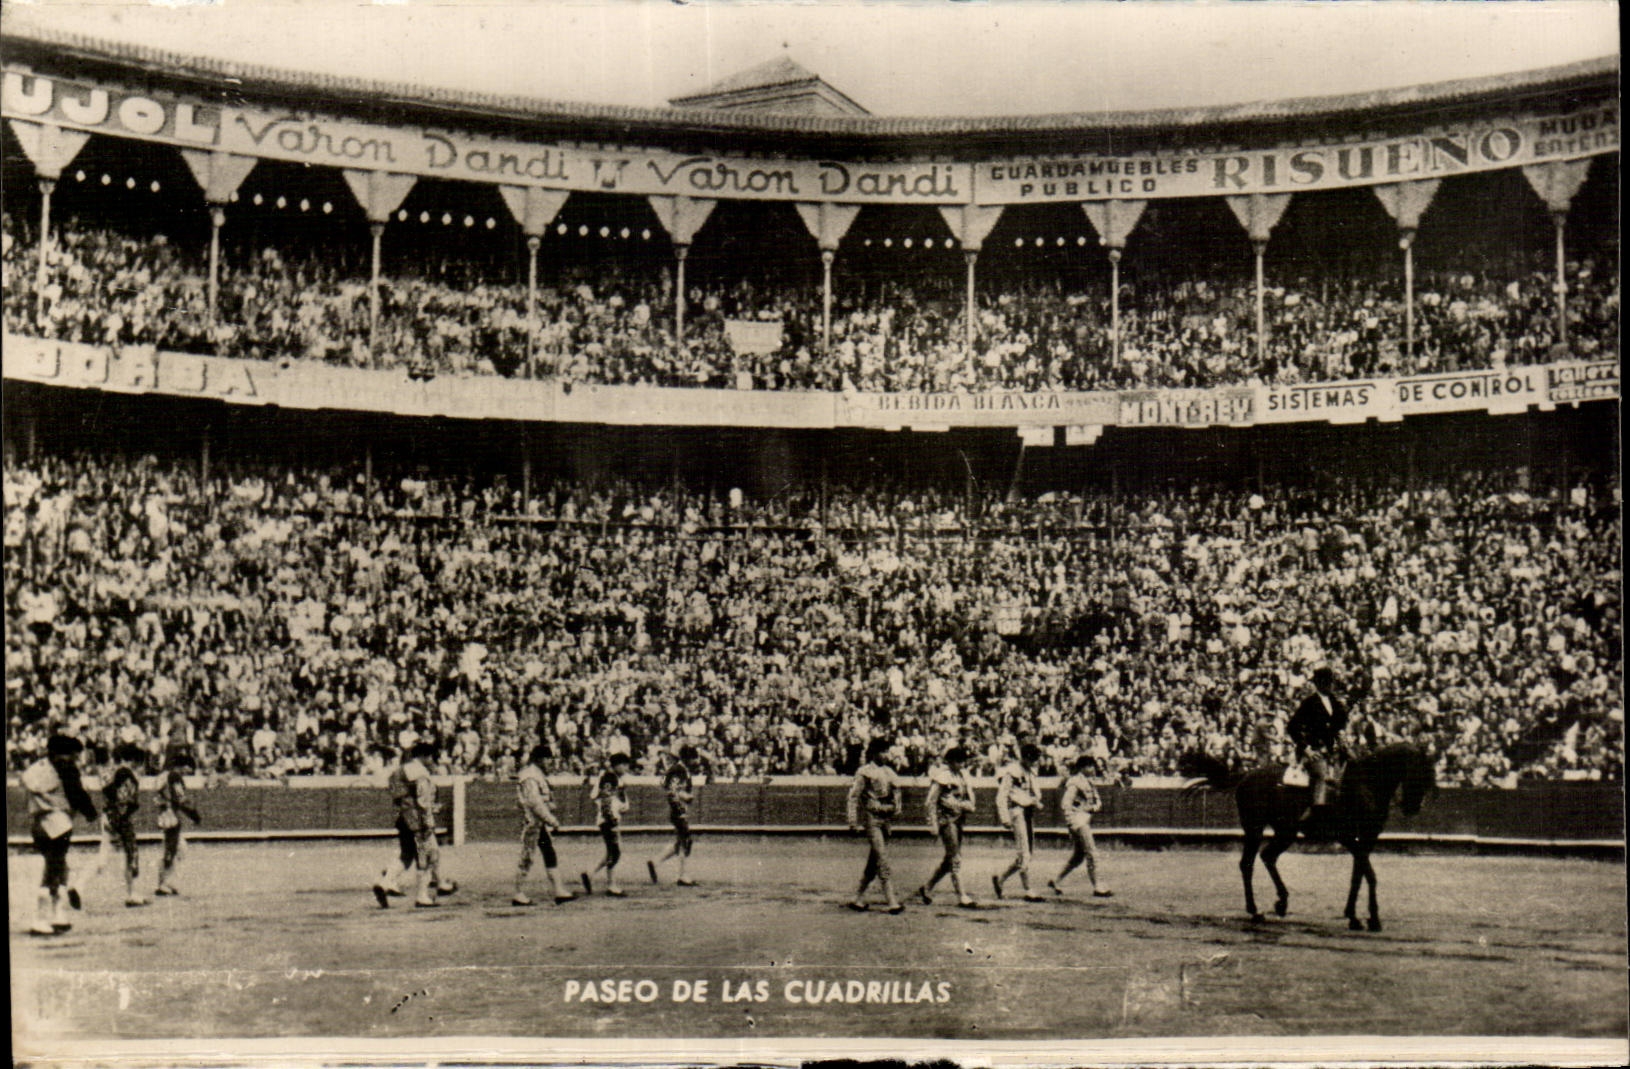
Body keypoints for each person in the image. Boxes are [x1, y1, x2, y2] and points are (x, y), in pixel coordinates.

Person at [22, 733, 99, 935]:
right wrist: (91, 812)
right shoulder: (66, 771)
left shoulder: (38, 768)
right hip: (58, 823)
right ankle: (41, 918)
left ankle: (57, 915)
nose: (74, 760)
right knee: (54, 868)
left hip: (39, 822)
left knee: (58, 866)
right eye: (72, 756)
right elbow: (77, 794)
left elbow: (28, 780)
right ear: (59, 754)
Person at [845, 736, 904, 913]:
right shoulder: (864, 772)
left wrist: (896, 808)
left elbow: (897, 795)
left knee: (874, 861)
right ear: (874, 753)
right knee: (882, 859)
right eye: (883, 751)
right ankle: (892, 901)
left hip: (885, 820)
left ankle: (857, 898)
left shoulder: (889, 772)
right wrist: (852, 821)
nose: (886, 755)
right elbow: (853, 797)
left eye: (887, 751)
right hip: (872, 819)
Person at [1288, 666, 1350, 831]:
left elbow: (1340, 724)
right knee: (1322, 775)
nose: (1330, 686)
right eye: (1327, 682)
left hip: (1334, 751)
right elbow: (1292, 727)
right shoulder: (1309, 703)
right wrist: (1306, 748)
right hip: (1314, 751)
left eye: (1331, 682)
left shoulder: (1335, 702)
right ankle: (1316, 813)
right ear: (1319, 684)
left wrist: (1342, 736)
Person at [514, 743, 575, 906]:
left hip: (537, 822)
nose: (550, 762)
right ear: (540, 759)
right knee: (527, 857)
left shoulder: (534, 774)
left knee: (548, 852)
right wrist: (551, 819)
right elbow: (535, 802)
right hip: (532, 823)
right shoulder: (530, 776)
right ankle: (518, 894)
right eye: (548, 759)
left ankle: (559, 890)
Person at [918, 744, 978, 908]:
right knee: (955, 858)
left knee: (949, 860)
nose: (962, 764)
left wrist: (967, 805)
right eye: (958, 761)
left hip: (959, 820)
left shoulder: (963, 776)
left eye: (963, 761)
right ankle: (962, 895)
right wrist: (933, 824)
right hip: (946, 821)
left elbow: (971, 799)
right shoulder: (942, 776)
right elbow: (930, 802)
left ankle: (927, 888)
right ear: (950, 761)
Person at [1049, 754, 1113, 899]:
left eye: (1092, 766)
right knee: (1092, 853)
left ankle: (1056, 880)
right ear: (1082, 768)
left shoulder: (1089, 782)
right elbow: (1065, 803)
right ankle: (1098, 887)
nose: (1092, 768)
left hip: (1083, 819)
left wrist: (1093, 807)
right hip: (1079, 821)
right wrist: (1072, 821)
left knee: (1078, 856)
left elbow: (1098, 802)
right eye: (1089, 766)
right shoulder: (1075, 782)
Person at [404, 740, 456, 908]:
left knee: (432, 854)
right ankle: (421, 896)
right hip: (420, 821)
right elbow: (422, 802)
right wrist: (428, 821)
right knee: (425, 857)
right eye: (431, 757)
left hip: (411, 818)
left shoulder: (409, 769)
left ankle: (432, 888)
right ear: (424, 756)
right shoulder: (421, 774)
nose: (432, 761)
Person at [992, 742, 1046, 902]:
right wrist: (1004, 817)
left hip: (1028, 813)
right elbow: (1001, 796)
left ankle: (1000, 880)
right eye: (1033, 759)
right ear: (1026, 758)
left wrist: (1036, 801)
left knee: (1026, 853)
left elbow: (1033, 794)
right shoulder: (1012, 771)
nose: (1035, 762)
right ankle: (1028, 889)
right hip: (1017, 812)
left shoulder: (1030, 772)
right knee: (1025, 853)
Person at [103, 743, 149, 907]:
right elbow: (124, 799)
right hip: (121, 817)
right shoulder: (125, 773)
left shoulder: (115, 772)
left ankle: (132, 892)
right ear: (134, 760)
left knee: (106, 857)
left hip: (112, 815)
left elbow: (109, 791)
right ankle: (132, 894)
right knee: (132, 853)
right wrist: (124, 815)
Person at [153, 748, 203, 897]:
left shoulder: (163, 775)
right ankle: (164, 884)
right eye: (188, 768)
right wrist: (194, 815)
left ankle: (166, 882)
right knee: (173, 848)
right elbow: (181, 799)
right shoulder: (174, 776)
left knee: (178, 848)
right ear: (182, 765)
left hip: (163, 813)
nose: (189, 771)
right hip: (171, 815)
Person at [373, 745, 418, 908]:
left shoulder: (394, 774)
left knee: (407, 854)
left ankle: (386, 881)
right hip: (413, 817)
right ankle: (434, 887)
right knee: (419, 855)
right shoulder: (412, 774)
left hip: (401, 817)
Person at [648, 745, 699, 887]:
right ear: (688, 759)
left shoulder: (678, 769)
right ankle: (682, 876)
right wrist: (685, 797)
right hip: (678, 808)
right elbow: (672, 790)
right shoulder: (679, 770)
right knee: (686, 841)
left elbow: (664, 783)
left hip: (678, 808)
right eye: (694, 758)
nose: (696, 761)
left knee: (681, 842)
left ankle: (656, 862)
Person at [582, 751, 631, 896]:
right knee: (615, 852)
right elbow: (605, 801)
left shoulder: (612, 777)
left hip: (608, 819)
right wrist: (611, 819)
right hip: (608, 819)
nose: (626, 768)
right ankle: (611, 886)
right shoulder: (610, 778)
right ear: (616, 765)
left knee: (612, 851)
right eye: (624, 765)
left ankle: (590, 874)